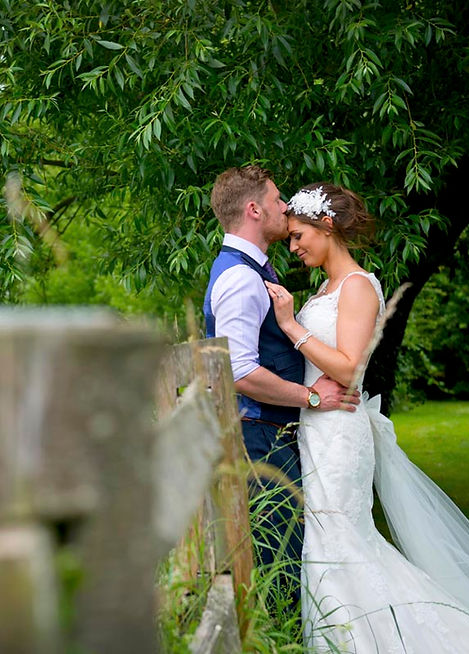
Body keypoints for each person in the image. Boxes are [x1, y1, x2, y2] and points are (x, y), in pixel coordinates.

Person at [264, 182, 469, 653]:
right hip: (318, 427)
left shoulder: (357, 286)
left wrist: (291, 326)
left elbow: (351, 368)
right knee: (328, 544)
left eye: (298, 236)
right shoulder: (326, 289)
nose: (293, 246)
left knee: (340, 543)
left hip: (338, 433)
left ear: (326, 226)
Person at [202, 166, 359, 607]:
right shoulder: (239, 277)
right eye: (276, 201)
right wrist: (312, 397)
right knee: (282, 565)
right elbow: (239, 371)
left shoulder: (249, 271)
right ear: (253, 209)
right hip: (258, 437)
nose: (285, 207)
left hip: (268, 433)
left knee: (288, 559)